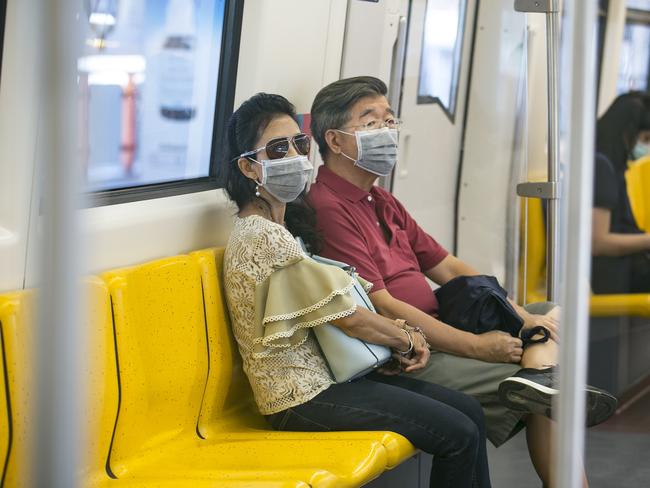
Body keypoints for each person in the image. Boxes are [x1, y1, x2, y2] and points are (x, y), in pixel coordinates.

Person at [294, 76, 617, 488]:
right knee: (546, 384)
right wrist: (478, 348)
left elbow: (448, 267)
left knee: (549, 314)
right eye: (371, 122)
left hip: (444, 318)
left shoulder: (383, 200)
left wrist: (517, 315)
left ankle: (538, 376)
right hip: (408, 348)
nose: (387, 130)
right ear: (335, 141)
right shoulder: (327, 207)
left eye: (391, 119)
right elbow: (386, 306)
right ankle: (542, 388)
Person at [221, 92, 492, 488]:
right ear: (248, 167)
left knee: (469, 410)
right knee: (458, 433)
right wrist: (407, 339)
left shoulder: (286, 230)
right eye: (278, 149)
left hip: (331, 380)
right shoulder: (261, 236)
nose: (295, 156)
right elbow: (350, 318)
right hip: (298, 398)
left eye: (299, 144)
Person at [592, 91, 650, 293]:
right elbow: (598, 242)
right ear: (627, 132)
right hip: (614, 272)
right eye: (645, 138)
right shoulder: (601, 166)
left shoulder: (611, 166)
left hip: (624, 265)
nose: (644, 146)